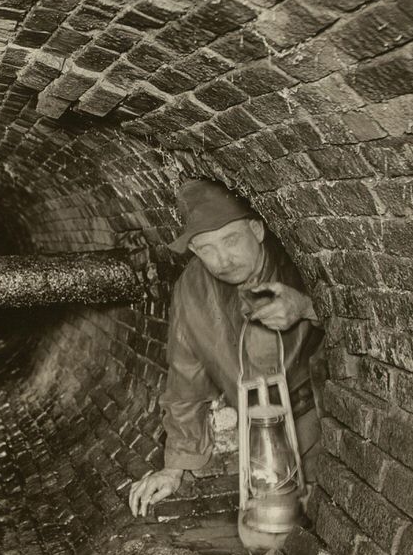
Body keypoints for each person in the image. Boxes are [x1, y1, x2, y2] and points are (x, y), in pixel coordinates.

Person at [129, 179, 323, 518]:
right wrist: (174, 467)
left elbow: (367, 323)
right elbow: (185, 383)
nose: (222, 260)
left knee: (327, 522)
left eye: (231, 241)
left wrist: (308, 307)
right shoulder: (192, 289)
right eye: (206, 249)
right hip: (259, 435)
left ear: (257, 230)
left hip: (321, 419)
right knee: (274, 534)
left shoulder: (301, 260)